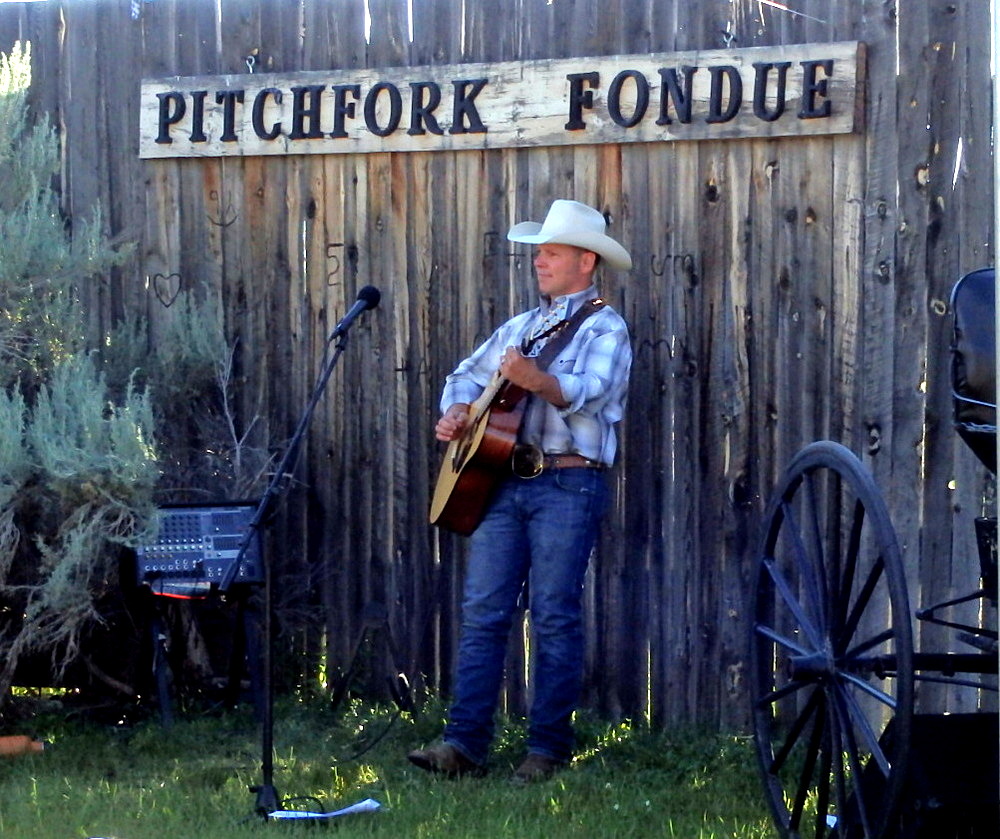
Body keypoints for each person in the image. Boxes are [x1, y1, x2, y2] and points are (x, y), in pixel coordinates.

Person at [408, 199, 632, 782]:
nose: (540, 260)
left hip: (569, 481)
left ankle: (548, 749)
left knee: (554, 615)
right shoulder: (522, 326)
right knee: (483, 613)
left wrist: (542, 382)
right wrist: (457, 410)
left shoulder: (606, 326)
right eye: (540, 251)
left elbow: (597, 390)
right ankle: (463, 745)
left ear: (586, 261)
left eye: (552, 252)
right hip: (502, 482)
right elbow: (465, 374)